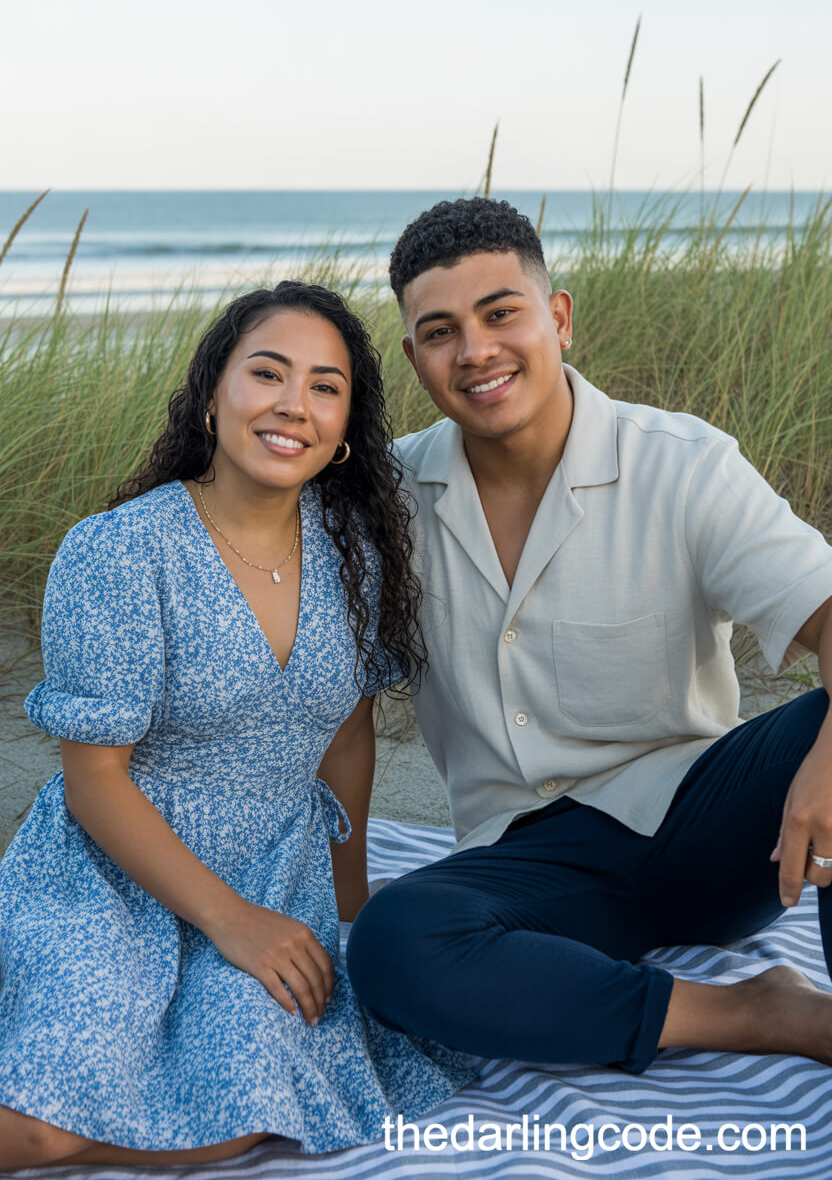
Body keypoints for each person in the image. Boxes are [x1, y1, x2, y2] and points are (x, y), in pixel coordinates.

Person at [347, 196, 832, 1073]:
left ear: (558, 317)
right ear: (415, 357)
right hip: (524, 864)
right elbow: (328, 702)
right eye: (442, 331)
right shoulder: (386, 503)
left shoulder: (684, 464)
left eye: (501, 315)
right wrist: (341, 901)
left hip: (702, 830)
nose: (477, 351)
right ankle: (757, 1014)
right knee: (392, 942)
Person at [0, 281, 473, 1171]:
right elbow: (93, 780)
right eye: (268, 373)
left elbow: (343, 738)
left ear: (344, 427)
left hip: (276, 866)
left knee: (250, 1105)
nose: (295, 404)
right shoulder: (118, 552)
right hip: (111, 872)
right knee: (45, 1105)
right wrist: (230, 922)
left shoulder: (355, 549)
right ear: (213, 391)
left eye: (326, 387)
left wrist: (348, 901)